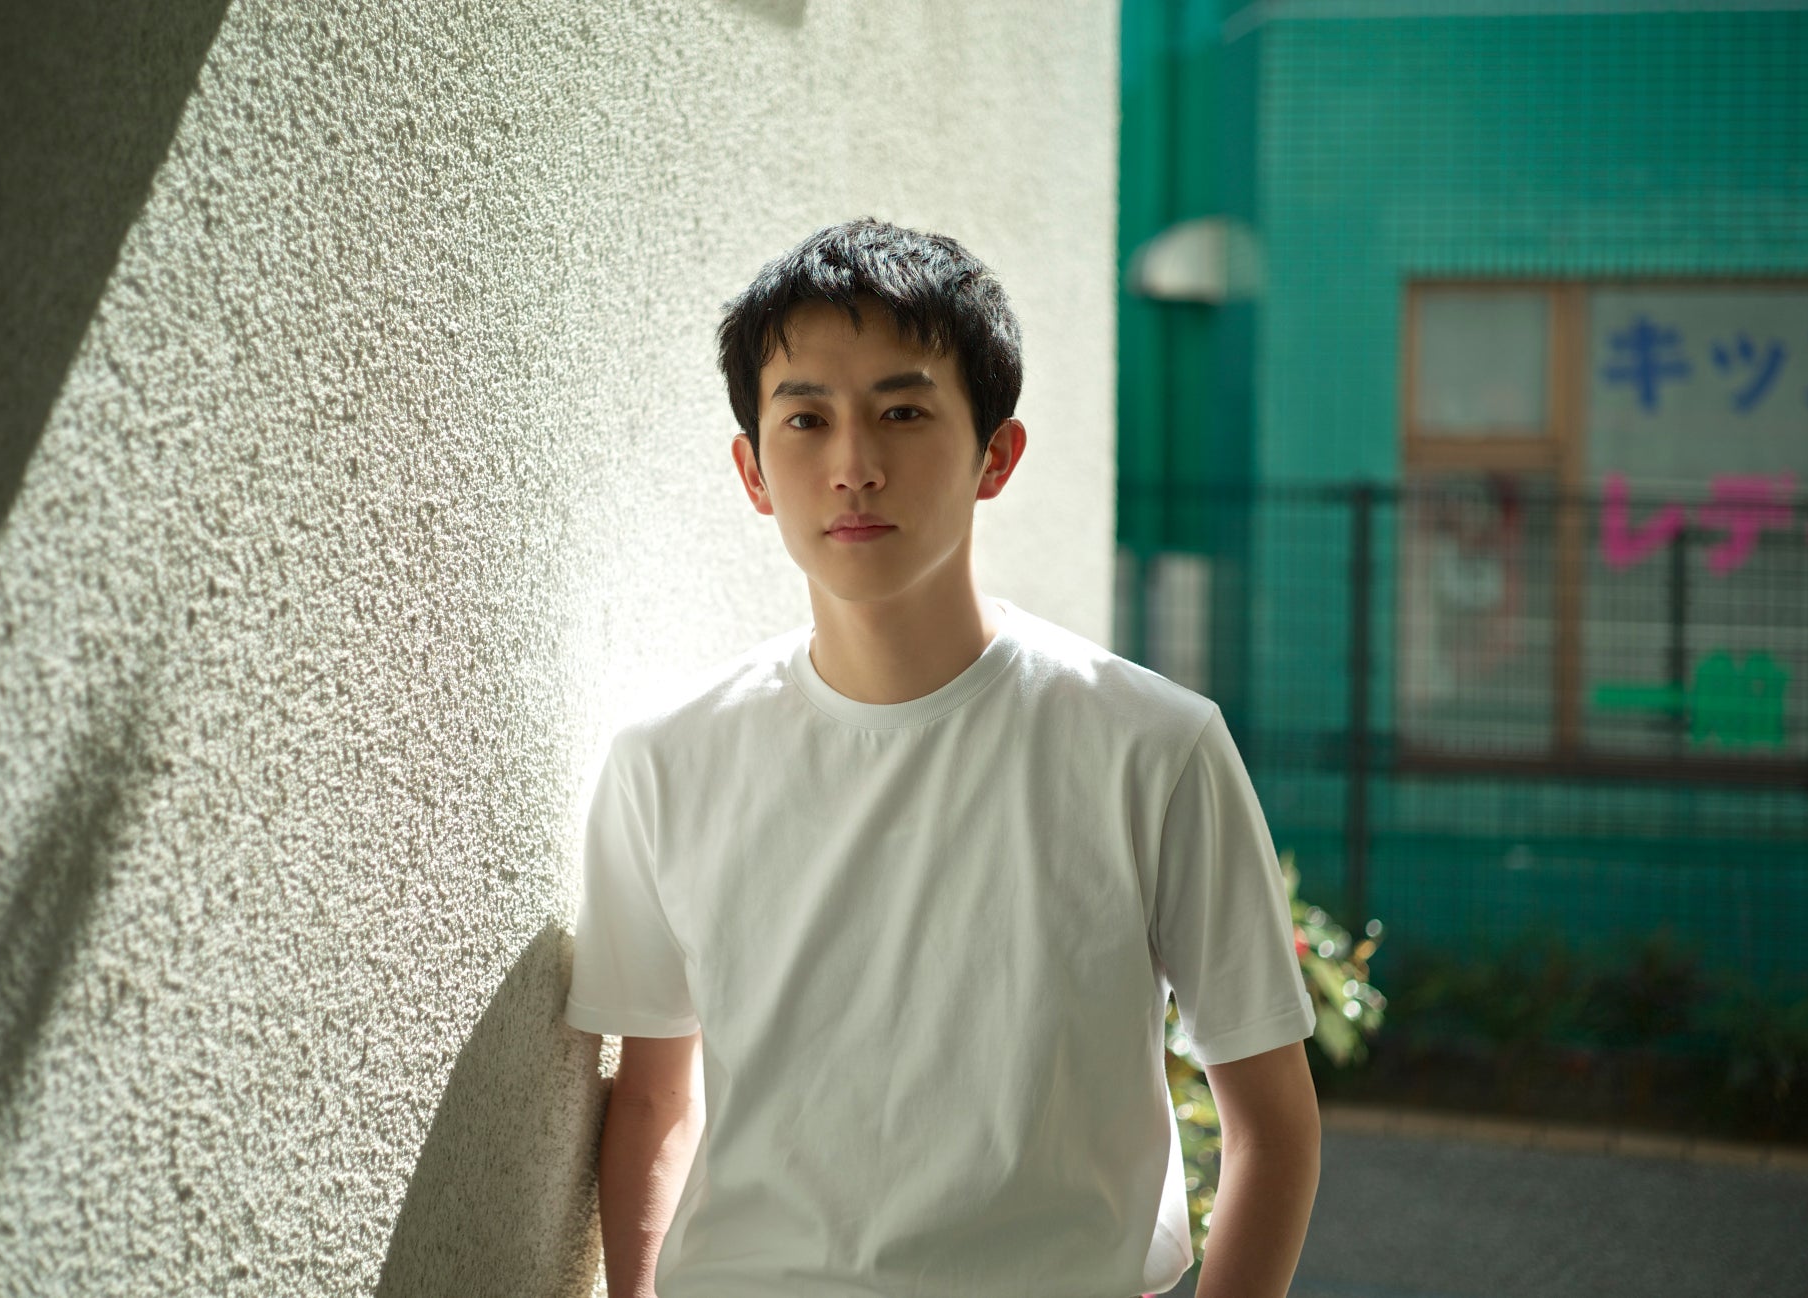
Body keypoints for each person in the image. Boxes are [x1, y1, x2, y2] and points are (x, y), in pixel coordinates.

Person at [564, 218, 1321, 1298]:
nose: (854, 467)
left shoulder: (1153, 746)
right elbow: (652, 1098)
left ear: (994, 456)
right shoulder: (666, 759)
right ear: (753, 471)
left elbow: (1273, 1129)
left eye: (903, 412)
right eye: (806, 420)